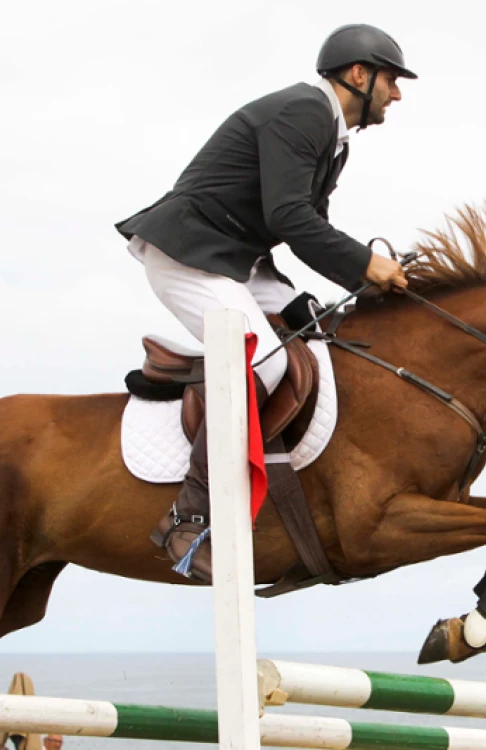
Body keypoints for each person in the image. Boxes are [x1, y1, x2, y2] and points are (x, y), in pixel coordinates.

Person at [115, 24, 416, 582]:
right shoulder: (304, 111)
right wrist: (362, 263)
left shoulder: (330, 135)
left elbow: (308, 224)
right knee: (268, 360)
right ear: (359, 74)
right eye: (392, 80)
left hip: (235, 256)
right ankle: (191, 516)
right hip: (190, 252)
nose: (396, 93)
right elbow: (289, 219)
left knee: (314, 334)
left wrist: (362, 279)